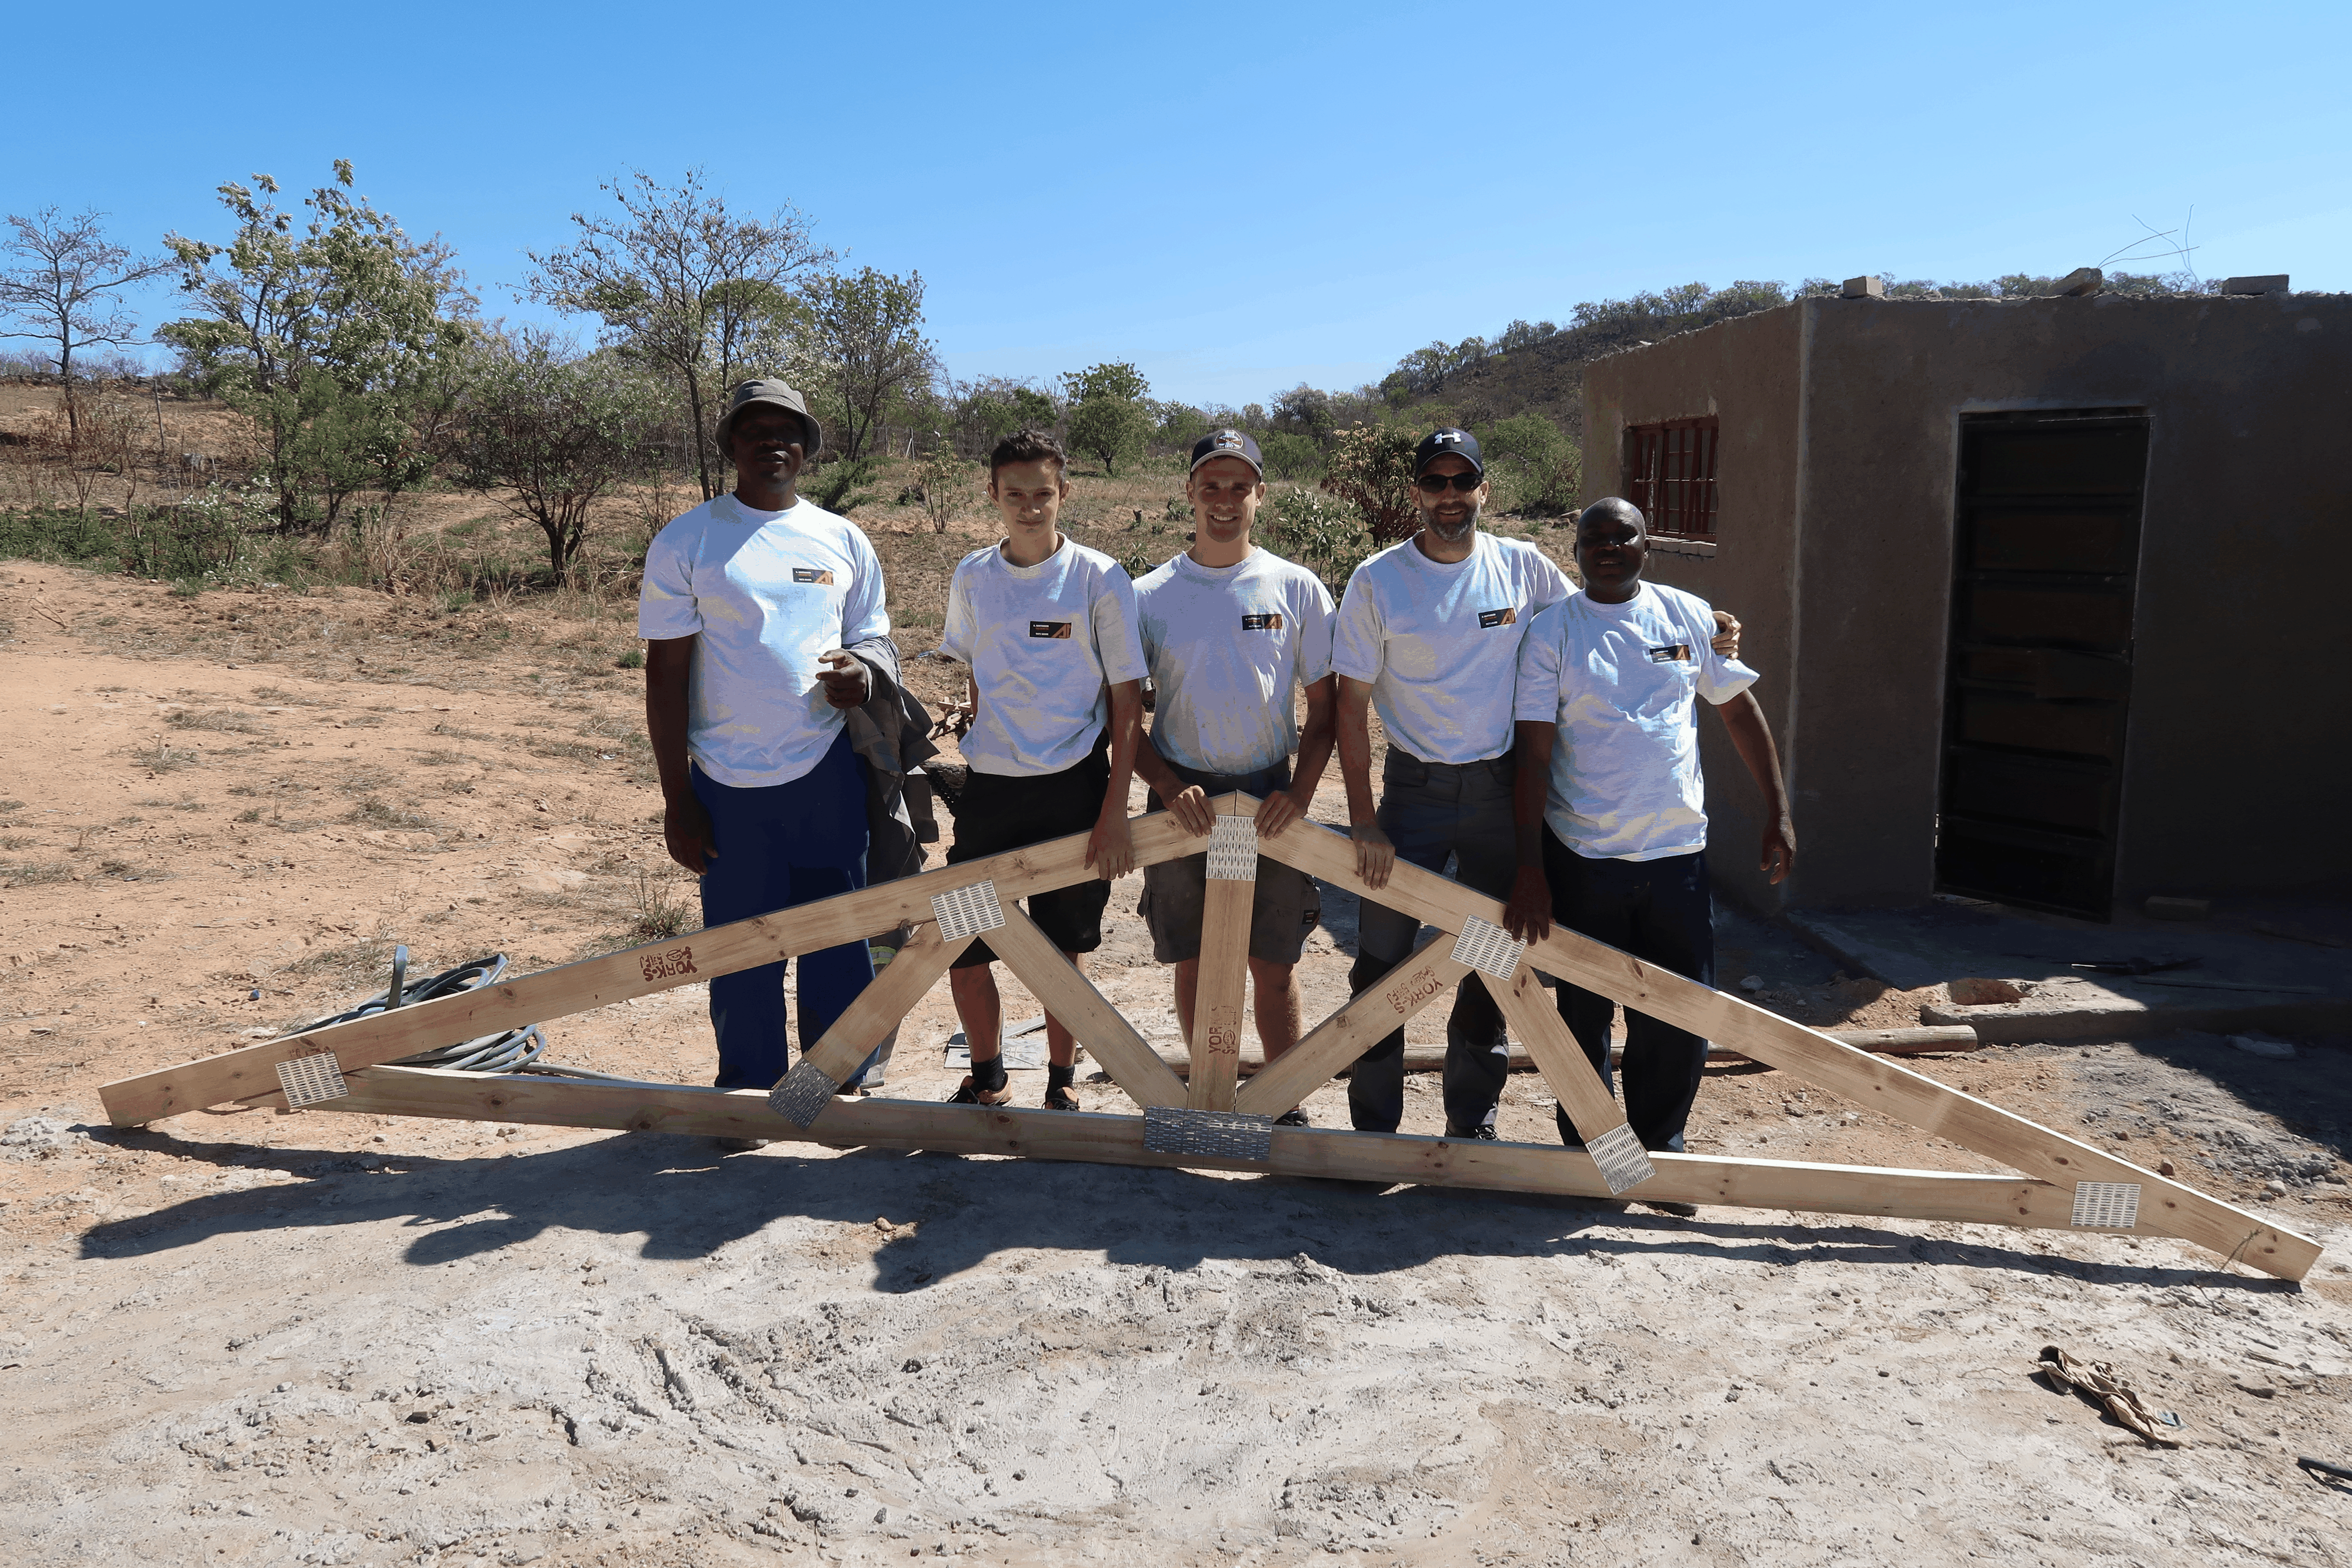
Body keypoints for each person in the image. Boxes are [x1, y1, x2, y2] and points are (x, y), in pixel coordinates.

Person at [1504, 496, 1795, 1186]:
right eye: (1593, 539)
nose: (1607, 548)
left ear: (1647, 545)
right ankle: (1592, 1152)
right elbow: (1534, 759)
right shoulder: (1553, 634)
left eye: (1622, 536)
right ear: (1574, 551)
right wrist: (1530, 869)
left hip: (1676, 860)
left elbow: (1738, 709)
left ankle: (1661, 1149)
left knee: (1677, 1013)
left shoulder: (1689, 617)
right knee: (1582, 1014)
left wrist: (1776, 810)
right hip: (1583, 858)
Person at [638, 380, 892, 1150]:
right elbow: (665, 675)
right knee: (741, 948)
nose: (772, 442)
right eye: (755, 430)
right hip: (727, 784)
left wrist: (865, 676)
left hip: (825, 773)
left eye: (788, 431)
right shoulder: (689, 540)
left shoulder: (842, 541)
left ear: (809, 448)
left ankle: (838, 1084)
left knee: (838, 937)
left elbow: (875, 638)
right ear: (731, 446)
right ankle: (748, 1095)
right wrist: (678, 797)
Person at [1130, 430, 1338, 1125]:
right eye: (1210, 486)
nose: (1224, 501)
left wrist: (1299, 796)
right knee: (1195, 959)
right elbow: (1120, 713)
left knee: (1272, 962)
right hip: (1183, 798)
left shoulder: (1296, 587)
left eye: (1238, 487)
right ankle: (1209, 1097)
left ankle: (1286, 1103)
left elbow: (1326, 706)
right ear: (1188, 493)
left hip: (1268, 794)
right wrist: (1162, 784)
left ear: (1259, 495)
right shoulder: (1150, 595)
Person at [937, 428, 1148, 1109]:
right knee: (965, 945)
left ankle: (1061, 1086)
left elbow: (1126, 703)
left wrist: (1114, 812)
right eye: (1015, 494)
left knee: (1062, 955)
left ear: (1065, 494)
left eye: (1043, 493)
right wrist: (975, 725)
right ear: (992, 495)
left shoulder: (1098, 577)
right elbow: (975, 669)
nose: (1029, 507)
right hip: (991, 791)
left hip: (1073, 789)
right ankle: (987, 1076)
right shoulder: (974, 575)